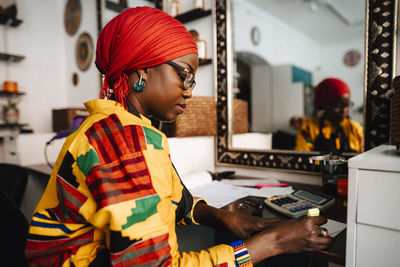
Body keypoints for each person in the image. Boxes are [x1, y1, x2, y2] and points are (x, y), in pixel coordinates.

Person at [25, 7, 331, 266]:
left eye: (192, 79)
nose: (189, 89)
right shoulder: (126, 143)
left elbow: (176, 200)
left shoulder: (121, 126)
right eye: (183, 74)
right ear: (141, 71)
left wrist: (220, 216)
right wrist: (273, 242)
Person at [295, 78, 363, 153]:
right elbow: (303, 156)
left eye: (347, 105)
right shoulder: (308, 128)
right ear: (325, 105)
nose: (344, 110)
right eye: (338, 106)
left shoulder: (356, 129)